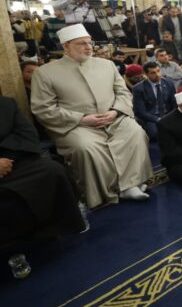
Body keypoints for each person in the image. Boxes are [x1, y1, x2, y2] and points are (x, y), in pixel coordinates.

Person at [31, 24, 153, 208]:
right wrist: (81, 119)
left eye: (90, 43)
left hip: (114, 118)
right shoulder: (45, 73)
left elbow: (123, 93)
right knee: (85, 147)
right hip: (76, 125)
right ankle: (104, 192)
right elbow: (43, 108)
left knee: (136, 133)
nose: (89, 47)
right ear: (66, 46)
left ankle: (131, 184)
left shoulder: (107, 65)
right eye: (81, 44)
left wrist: (115, 111)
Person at [0, 97, 85, 247]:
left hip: (12, 161)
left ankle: (56, 229)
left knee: (52, 170)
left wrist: (7, 159)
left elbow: (26, 134)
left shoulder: (6, 104)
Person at [132, 61, 177, 141]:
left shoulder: (169, 83)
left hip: (168, 115)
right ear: (146, 74)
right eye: (153, 73)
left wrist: (171, 117)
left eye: (158, 71)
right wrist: (158, 119)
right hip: (152, 118)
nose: (157, 75)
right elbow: (140, 111)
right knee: (155, 134)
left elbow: (174, 103)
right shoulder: (138, 89)